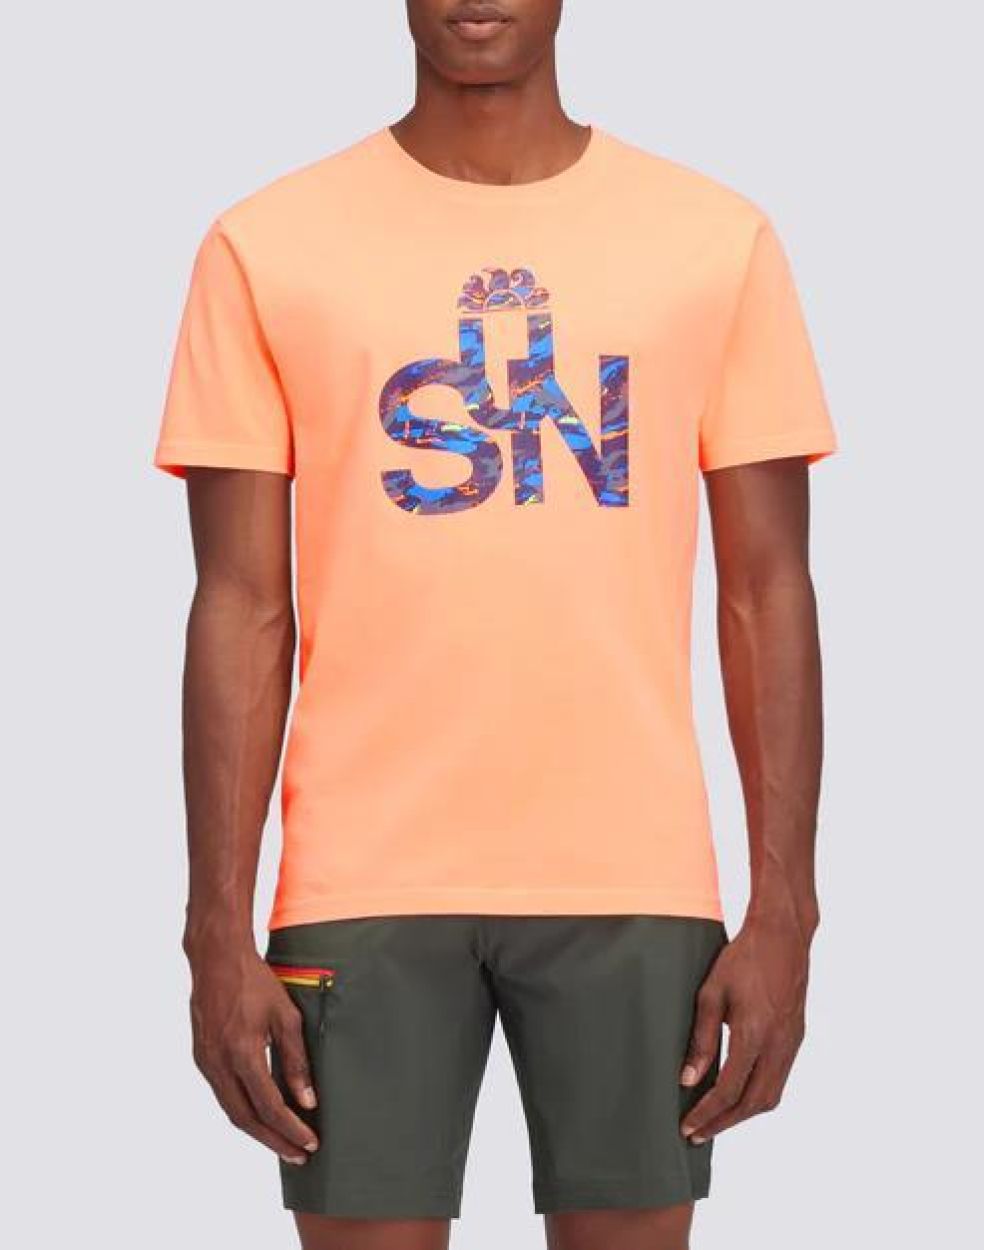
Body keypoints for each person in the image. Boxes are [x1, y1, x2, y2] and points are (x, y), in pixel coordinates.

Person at [154, 2, 836, 1247]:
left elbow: (767, 587)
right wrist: (213, 925)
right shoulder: (268, 244)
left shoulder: (712, 239)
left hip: (632, 872)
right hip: (361, 872)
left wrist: (786, 904)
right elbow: (241, 603)